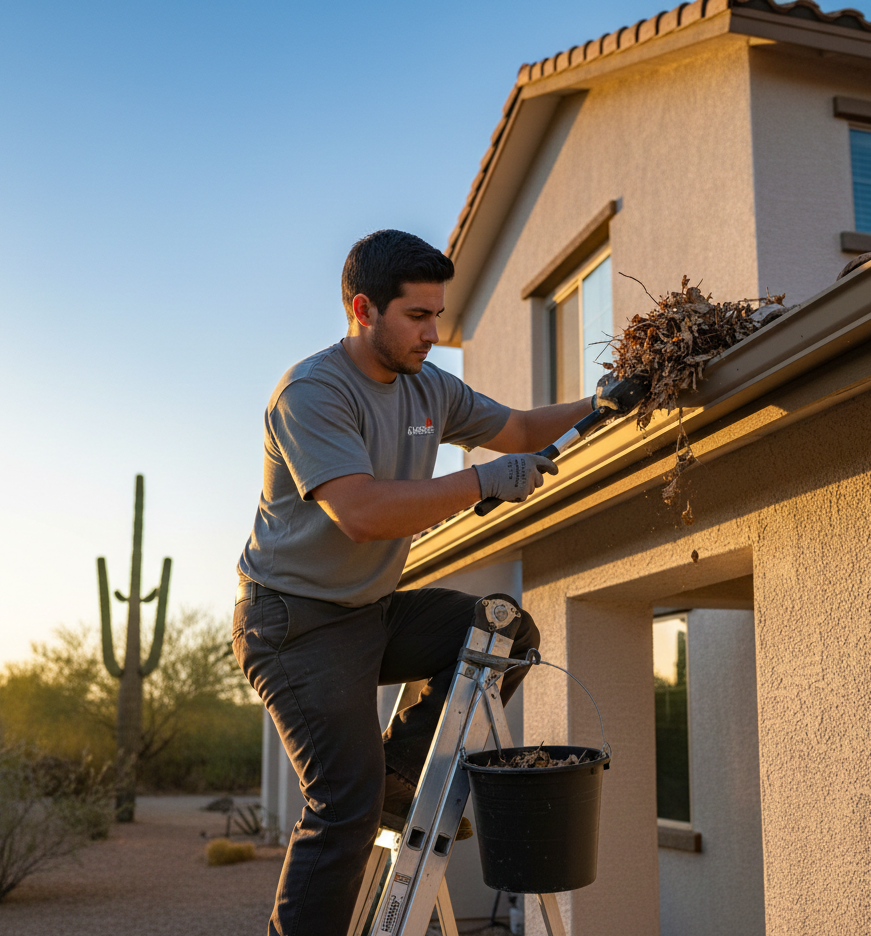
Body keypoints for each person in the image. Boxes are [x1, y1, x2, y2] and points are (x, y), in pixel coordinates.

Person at [233, 230, 633, 936]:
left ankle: (398, 775)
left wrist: (604, 401)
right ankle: (372, 796)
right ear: (363, 309)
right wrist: (479, 479)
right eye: (417, 317)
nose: (433, 332)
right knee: (343, 809)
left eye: (437, 315)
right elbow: (360, 513)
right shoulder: (312, 392)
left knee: (504, 632)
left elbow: (517, 428)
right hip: (292, 626)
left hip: (369, 613)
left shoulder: (429, 387)